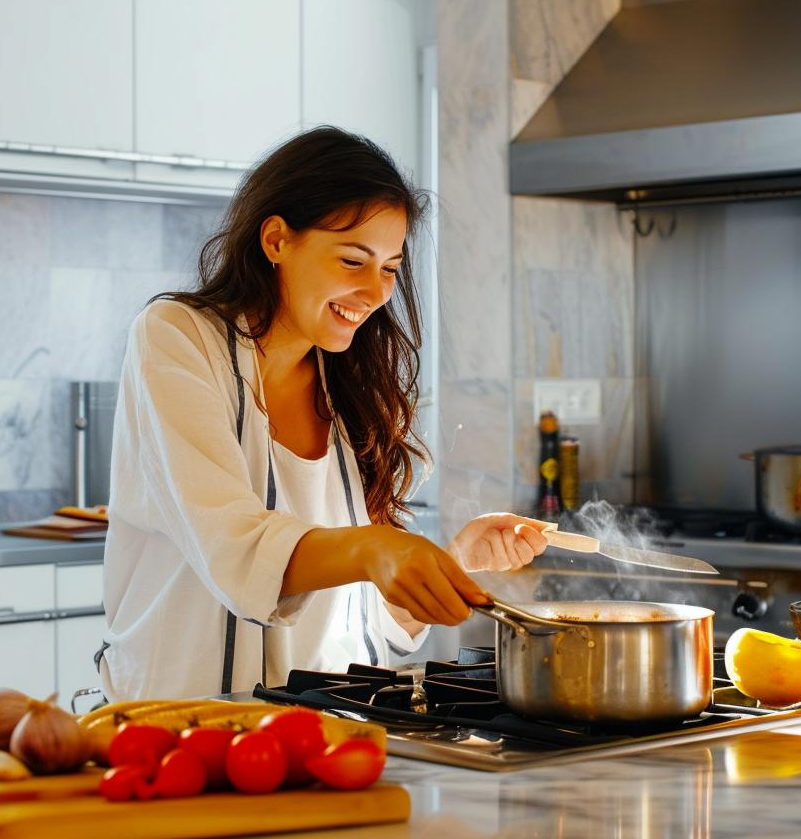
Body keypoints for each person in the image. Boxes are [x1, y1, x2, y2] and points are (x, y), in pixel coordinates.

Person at [100, 126, 548, 701]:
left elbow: (363, 627)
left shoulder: (351, 388)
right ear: (276, 240)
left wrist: (448, 564)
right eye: (353, 260)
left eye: (389, 267)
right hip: (184, 726)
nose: (376, 290)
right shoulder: (178, 337)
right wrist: (376, 548)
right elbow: (231, 546)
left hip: (330, 728)